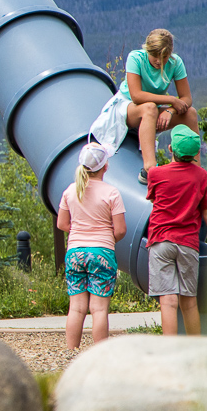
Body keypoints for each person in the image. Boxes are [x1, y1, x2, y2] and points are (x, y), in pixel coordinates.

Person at [148, 125, 207, 336]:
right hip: (187, 243)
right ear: (196, 153)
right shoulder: (202, 177)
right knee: (189, 302)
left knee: (167, 301)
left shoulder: (156, 174)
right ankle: (195, 348)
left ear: (170, 149)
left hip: (160, 241)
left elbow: (152, 199)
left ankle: (172, 350)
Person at [56, 142, 126, 351]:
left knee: (76, 308)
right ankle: (100, 355)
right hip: (102, 251)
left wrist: (80, 234)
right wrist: (106, 240)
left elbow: (62, 224)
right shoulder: (112, 193)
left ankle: (71, 353)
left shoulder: (71, 190)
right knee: (98, 309)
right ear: (105, 167)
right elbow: (121, 229)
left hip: (75, 252)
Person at [122, 29, 197, 185]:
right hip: (129, 110)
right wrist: (170, 99)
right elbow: (136, 95)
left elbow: (186, 98)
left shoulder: (175, 63)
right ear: (147, 50)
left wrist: (170, 110)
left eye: (164, 57)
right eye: (155, 55)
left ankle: (194, 171)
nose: (159, 61)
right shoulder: (135, 58)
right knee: (149, 108)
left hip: (152, 114)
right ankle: (149, 169)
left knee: (190, 114)